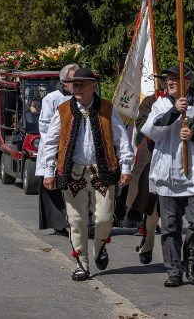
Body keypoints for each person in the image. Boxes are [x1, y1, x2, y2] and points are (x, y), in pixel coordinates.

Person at [40, 68, 134, 282]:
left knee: (104, 219)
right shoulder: (64, 109)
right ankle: (82, 264)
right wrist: (48, 171)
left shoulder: (107, 109)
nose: (78, 87)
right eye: (75, 84)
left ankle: (100, 247)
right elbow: (50, 142)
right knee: (76, 221)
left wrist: (126, 167)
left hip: (103, 174)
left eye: (82, 83)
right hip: (73, 175)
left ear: (93, 86)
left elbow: (122, 139)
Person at [141, 65, 194, 287]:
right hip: (168, 174)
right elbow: (151, 130)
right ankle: (174, 271)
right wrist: (174, 111)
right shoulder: (160, 104)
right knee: (169, 226)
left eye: (174, 79)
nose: (169, 82)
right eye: (167, 79)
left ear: (187, 82)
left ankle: (191, 261)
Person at [36, 63, 78, 236]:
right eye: (72, 80)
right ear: (63, 81)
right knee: (52, 185)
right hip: (56, 146)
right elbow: (45, 125)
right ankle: (58, 222)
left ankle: (83, 222)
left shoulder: (84, 97)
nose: (76, 84)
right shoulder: (52, 98)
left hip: (77, 149)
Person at [126, 92, 161, 264]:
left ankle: (181, 255)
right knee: (152, 205)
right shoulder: (150, 101)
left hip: (180, 161)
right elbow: (141, 124)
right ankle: (148, 242)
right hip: (151, 156)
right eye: (169, 80)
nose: (172, 83)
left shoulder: (189, 101)